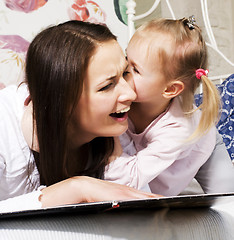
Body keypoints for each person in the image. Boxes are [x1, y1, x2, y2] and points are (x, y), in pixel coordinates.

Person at [0, 20, 158, 213]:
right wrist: (77, 189)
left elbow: (140, 208)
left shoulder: (118, 126)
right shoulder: (4, 127)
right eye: (107, 86)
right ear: (62, 100)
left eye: (125, 73)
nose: (131, 95)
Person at [105, 17, 234, 196]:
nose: (124, 69)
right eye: (127, 58)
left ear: (170, 89)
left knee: (228, 205)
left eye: (135, 69)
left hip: (203, 145)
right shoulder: (127, 98)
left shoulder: (178, 128)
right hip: (159, 147)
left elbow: (131, 177)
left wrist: (113, 138)